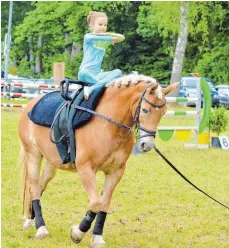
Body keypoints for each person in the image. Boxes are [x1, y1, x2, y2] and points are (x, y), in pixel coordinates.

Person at [78, 11, 125, 100]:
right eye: (100, 24)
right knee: (83, 72)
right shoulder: (88, 37)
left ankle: (92, 88)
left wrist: (107, 34)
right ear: (92, 25)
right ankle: (102, 85)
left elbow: (122, 38)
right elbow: (97, 37)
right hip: (85, 74)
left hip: (97, 75)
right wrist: (107, 36)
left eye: (105, 25)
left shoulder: (106, 40)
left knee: (118, 72)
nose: (103, 27)